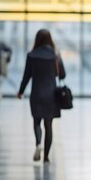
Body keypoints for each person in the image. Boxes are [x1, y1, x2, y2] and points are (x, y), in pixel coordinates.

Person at [17, 29, 66, 163]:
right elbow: (62, 74)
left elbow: (26, 76)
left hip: (36, 94)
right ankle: (46, 157)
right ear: (50, 39)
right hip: (51, 95)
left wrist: (20, 91)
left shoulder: (31, 55)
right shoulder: (55, 55)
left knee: (37, 122)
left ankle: (38, 143)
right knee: (48, 125)